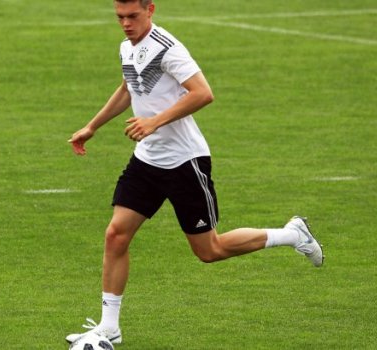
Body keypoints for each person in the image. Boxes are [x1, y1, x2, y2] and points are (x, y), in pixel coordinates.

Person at [66, 0, 324, 345]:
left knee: (209, 251)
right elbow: (129, 88)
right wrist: (92, 126)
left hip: (184, 162)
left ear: (150, 9)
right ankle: (109, 326)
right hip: (147, 160)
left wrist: (154, 122)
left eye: (132, 16)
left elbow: (203, 93)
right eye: (120, 17)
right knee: (116, 235)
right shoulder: (128, 47)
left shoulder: (168, 49)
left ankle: (293, 234)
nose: (125, 24)